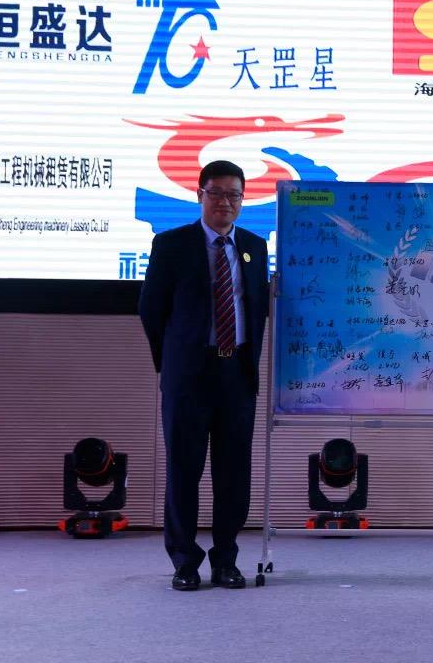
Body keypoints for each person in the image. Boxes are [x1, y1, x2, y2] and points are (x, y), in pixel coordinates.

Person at [138, 160, 270, 591]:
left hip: (237, 374)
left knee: (233, 474)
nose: (225, 202)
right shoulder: (171, 244)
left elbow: (258, 309)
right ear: (200, 195)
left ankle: (226, 559)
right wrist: (173, 362)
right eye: (216, 193)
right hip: (188, 377)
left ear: (243, 200)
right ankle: (184, 561)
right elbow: (151, 309)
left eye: (234, 195)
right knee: (184, 469)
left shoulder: (254, 247)